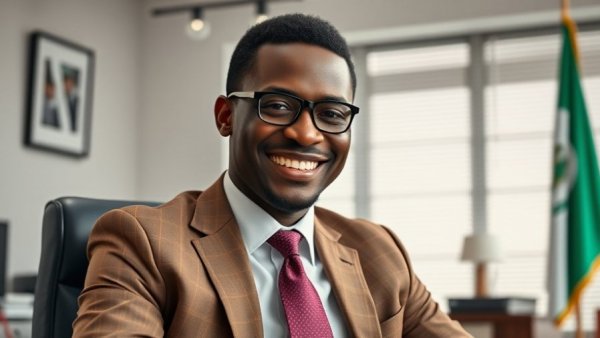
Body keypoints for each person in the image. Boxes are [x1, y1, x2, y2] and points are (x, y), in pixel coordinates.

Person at [73, 14, 471, 337]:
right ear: (226, 116)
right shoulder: (141, 242)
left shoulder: (379, 252)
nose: (307, 133)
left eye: (332, 114)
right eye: (278, 106)